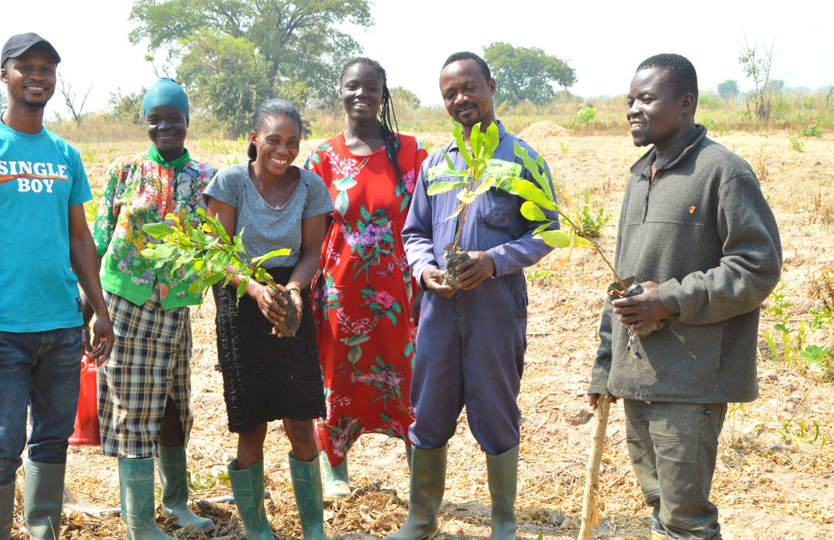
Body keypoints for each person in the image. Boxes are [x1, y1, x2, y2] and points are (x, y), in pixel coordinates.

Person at [587, 53, 782, 540]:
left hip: (693, 378)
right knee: (659, 504)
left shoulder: (723, 173)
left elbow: (757, 267)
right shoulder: (640, 175)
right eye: (630, 99)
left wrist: (669, 298)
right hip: (637, 375)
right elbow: (622, 279)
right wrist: (605, 365)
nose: (633, 108)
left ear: (686, 103)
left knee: (685, 518)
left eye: (647, 99)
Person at [0, 33, 115, 540]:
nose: (38, 75)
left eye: (47, 68)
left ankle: (43, 530)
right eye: (26, 66)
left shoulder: (65, 154)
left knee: (53, 437)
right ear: (4, 75)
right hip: (2, 327)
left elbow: (80, 238)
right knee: (3, 441)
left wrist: (99, 309)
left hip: (61, 323)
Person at [393, 52, 555, 540]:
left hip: (494, 309)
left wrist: (494, 261)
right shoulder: (436, 164)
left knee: (497, 407)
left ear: (490, 86)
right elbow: (414, 232)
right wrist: (424, 272)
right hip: (439, 310)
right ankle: (422, 518)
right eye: (449, 93)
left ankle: (503, 522)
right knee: (428, 408)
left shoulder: (522, 159)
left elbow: (547, 230)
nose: (460, 99)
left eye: (469, 88)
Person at [87, 78, 216, 539]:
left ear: (186, 121)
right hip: (125, 305)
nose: (164, 126)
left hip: (176, 309)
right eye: (154, 119)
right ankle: (139, 523)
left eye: (173, 118)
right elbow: (99, 237)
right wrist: (87, 300)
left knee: (172, 409)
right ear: (146, 124)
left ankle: (176, 504)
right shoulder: (125, 171)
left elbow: (217, 245)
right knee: (132, 411)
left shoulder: (206, 178)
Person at [205, 98, 333, 540]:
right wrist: (256, 289)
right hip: (241, 298)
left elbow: (312, 252)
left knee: (300, 418)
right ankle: (257, 529)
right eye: (274, 140)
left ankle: (313, 529)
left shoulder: (311, 187)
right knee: (252, 422)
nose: (283, 150)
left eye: (293, 142)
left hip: (290, 297)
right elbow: (218, 255)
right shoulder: (230, 182)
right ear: (254, 139)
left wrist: (292, 293)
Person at [303, 57, 428, 498]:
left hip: (399, 291)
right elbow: (308, 228)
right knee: (337, 377)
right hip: (339, 290)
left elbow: (428, 221)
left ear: (383, 93)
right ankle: (336, 473)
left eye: (371, 87)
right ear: (340, 91)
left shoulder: (411, 154)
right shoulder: (322, 158)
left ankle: (420, 476)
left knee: (407, 380)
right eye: (352, 86)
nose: (362, 95)